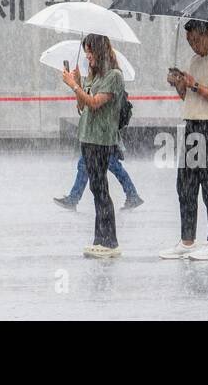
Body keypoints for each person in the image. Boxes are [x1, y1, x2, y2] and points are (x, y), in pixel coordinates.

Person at [160, 19, 208, 262]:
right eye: (189, 41)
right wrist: (179, 84)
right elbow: (188, 96)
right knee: (185, 185)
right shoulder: (194, 61)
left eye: (195, 39)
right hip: (193, 125)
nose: (193, 45)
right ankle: (187, 240)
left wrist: (195, 85)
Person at [61, 34, 126, 259]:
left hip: (101, 138)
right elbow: (82, 106)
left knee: (101, 189)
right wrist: (77, 85)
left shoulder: (113, 76)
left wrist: (75, 87)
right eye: (85, 51)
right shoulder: (94, 75)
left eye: (90, 51)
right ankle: (100, 239)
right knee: (96, 189)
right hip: (87, 136)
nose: (87, 55)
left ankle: (110, 241)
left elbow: (96, 104)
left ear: (99, 51)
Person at [53, 124, 143, 211]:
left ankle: (73, 199)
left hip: (101, 137)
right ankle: (132, 195)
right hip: (101, 136)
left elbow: (98, 109)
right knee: (108, 166)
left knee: (108, 165)